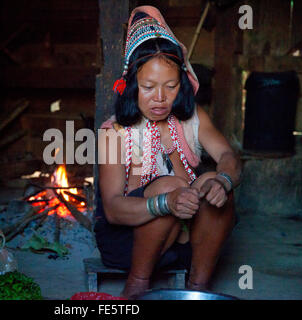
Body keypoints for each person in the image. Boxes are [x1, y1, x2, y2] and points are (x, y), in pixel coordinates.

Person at [95, 6, 242, 299]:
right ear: (132, 85)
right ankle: (135, 287)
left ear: (183, 84)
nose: (160, 98)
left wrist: (222, 182)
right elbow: (112, 209)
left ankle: (198, 289)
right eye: (148, 87)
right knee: (171, 186)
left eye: (171, 86)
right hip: (126, 245)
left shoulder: (192, 119)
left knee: (211, 181)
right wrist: (166, 203)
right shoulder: (114, 132)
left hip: (183, 245)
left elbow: (229, 157)